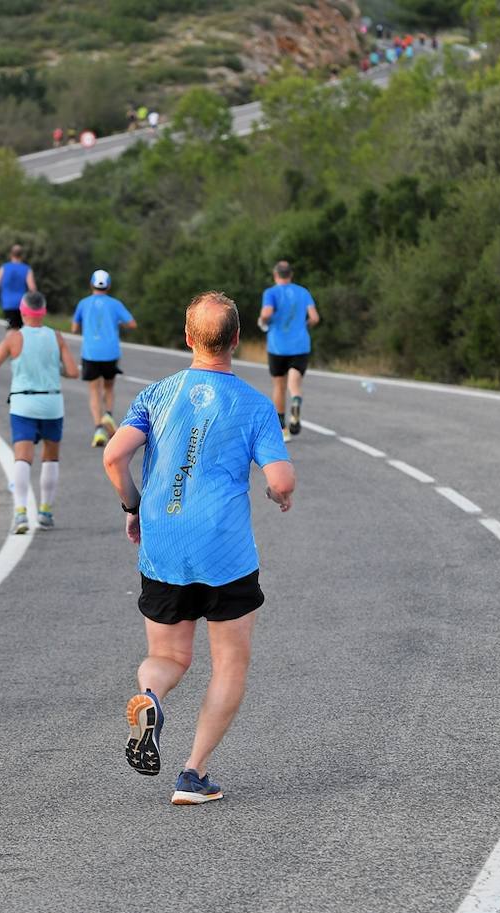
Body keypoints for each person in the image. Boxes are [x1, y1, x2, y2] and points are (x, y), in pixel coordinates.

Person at [102, 292, 295, 805]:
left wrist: (131, 508)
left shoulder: (156, 396)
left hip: (164, 543)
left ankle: (150, 697)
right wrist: (279, 493)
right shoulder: (255, 404)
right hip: (225, 552)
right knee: (228, 663)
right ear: (236, 340)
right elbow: (280, 477)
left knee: (167, 654)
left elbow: (114, 457)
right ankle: (193, 773)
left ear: (188, 338)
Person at [0, 291, 78, 533]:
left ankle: (21, 513)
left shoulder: (14, 338)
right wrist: (54, 369)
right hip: (52, 404)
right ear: (43, 312)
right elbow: (74, 372)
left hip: (24, 404)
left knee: (23, 457)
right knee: (50, 457)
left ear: (23, 312)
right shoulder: (56, 337)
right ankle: (45, 511)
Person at [71, 269, 136, 448]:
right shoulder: (115, 304)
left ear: (91, 284)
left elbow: (74, 328)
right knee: (109, 387)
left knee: (94, 391)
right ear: (109, 286)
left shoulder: (83, 303)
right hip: (110, 352)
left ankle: (99, 428)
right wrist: (115, 322)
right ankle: (108, 414)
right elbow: (132, 323)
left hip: (90, 352)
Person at [259, 260, 320, 442]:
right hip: (300, 345)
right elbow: (315, 318)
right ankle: (296, 403)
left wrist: (263, 320)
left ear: (275, 275)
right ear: (291, 275)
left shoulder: (271, 293)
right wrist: (304, 326)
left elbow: (267, 314)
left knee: (279, 386)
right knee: (295, 385)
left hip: (278, 346)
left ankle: (283, 430)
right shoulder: (303, 292)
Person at [0, 244, 36, 329]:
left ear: (11, 254)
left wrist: (4, 290)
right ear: (21, 255)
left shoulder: (4, 268)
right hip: (22, 305)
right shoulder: (27, 269)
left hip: (8, 304)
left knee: (11, 331)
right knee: (21, 331)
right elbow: (32, 288)